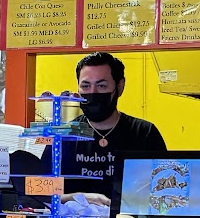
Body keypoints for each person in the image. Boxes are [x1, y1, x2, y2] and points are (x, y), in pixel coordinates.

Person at [65, 51, 166, 201]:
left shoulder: (145, 134)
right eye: (85, 86)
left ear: (120, 86)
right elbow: (41, 197)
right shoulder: (65, 136)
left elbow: (163, 191)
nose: (93, 92)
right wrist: (77, 198)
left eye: (101, 86)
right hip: (72, 217)